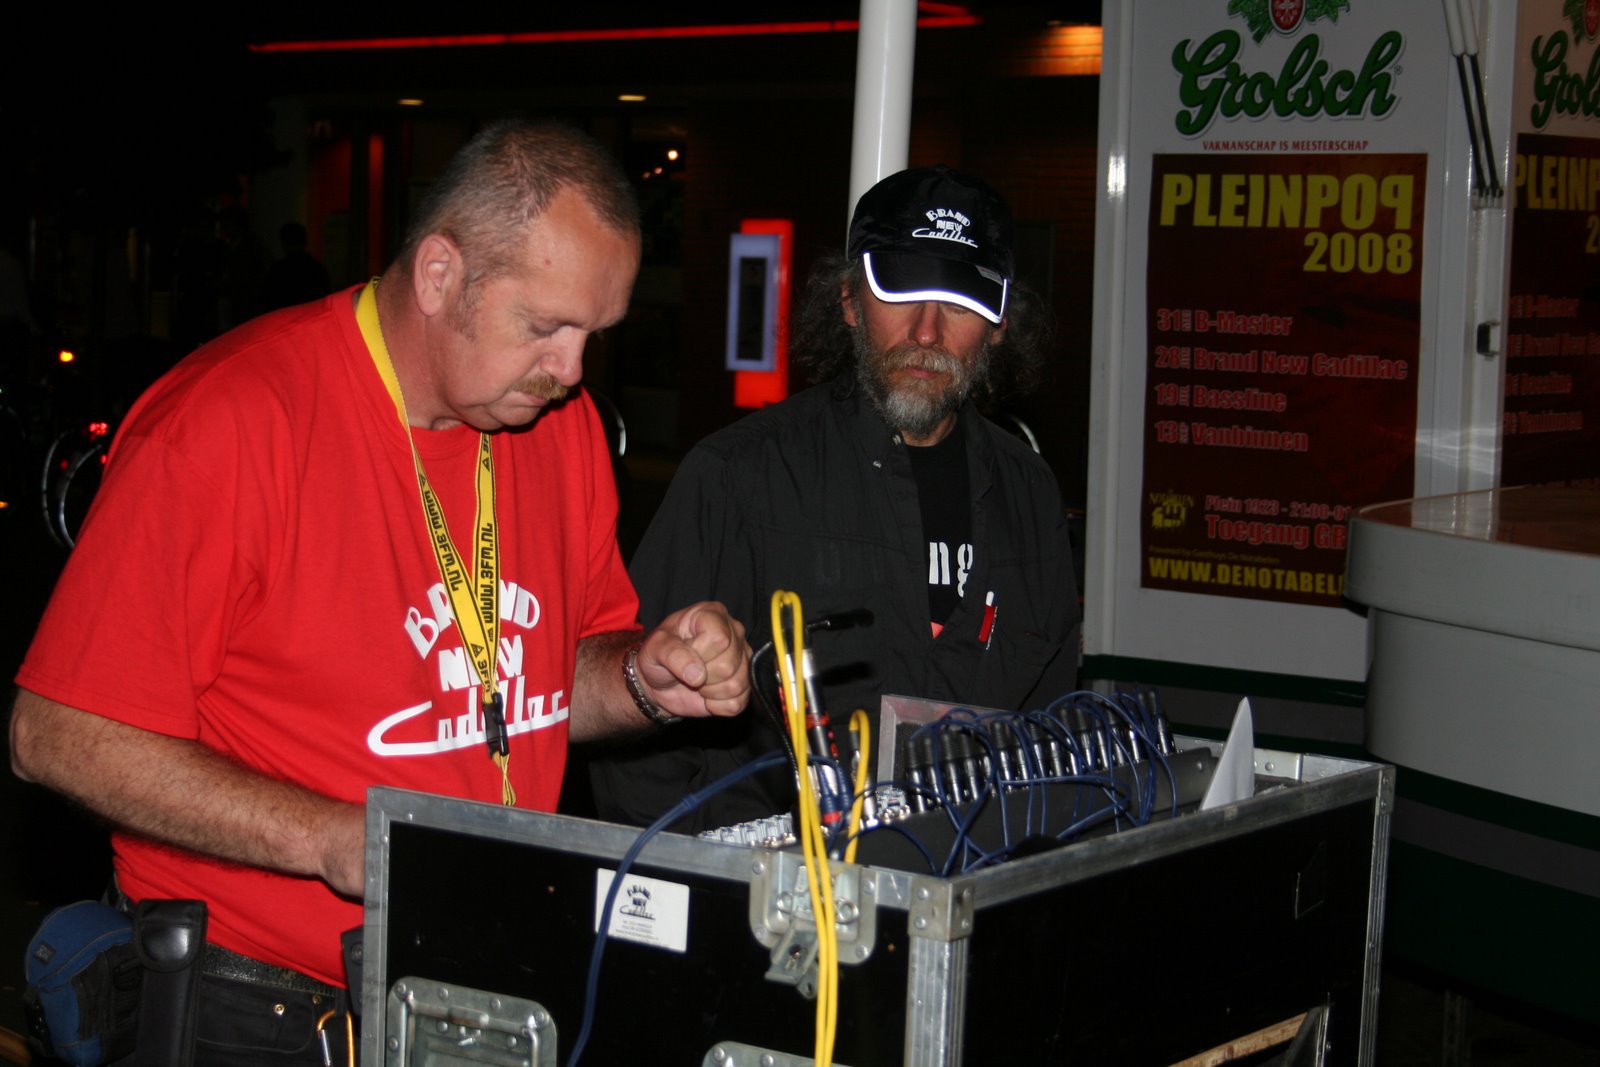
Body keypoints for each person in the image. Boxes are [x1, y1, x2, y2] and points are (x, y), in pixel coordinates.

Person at [9, 121, 749, 1063]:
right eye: (545, 328)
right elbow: (56, 732)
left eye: (592, 335)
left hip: (478, 985)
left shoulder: (559, 432)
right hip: (255, 1006)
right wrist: (329, 838)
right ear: (439, 274)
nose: (571, 372)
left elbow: (539, 682)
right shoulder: (231, 422)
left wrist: (648, 675)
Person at [587, 165, 1079, 834]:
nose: (927, 331)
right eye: (900, 292)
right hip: (775, 891)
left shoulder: (1029, 493)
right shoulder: (737, 476)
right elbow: (636, 752)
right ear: (849, 301)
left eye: (959, 302)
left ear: (998, 326)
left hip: (968, 880)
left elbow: (1048, 732)